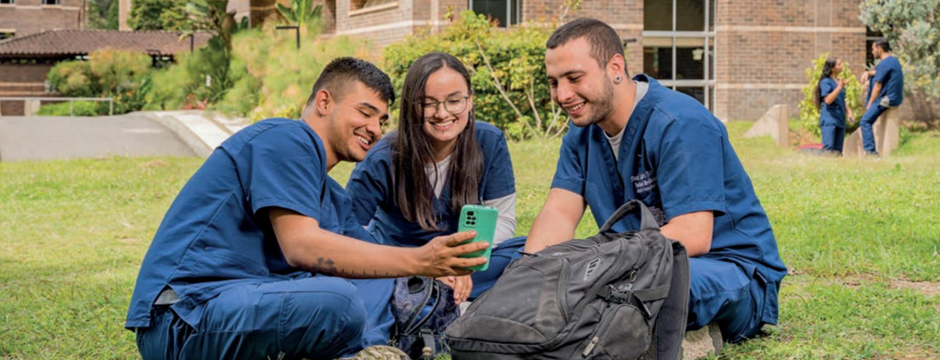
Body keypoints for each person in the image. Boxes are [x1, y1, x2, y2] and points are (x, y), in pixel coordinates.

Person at [125, 57, 489, 360]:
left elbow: (376, 263)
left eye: (381, 119)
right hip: (182, 318)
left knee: (373, 280)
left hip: (242, 311)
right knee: (338, 300)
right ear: (325, 102)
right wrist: (420, 260)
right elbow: (302, 247)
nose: (375, 129)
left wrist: (437, 269)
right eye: (365, 112)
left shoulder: (331, 195)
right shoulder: (285, 138)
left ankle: (370, 353)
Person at [522, 18, 787, 345]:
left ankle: (695, 338)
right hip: (632, 261)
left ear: (615, 67)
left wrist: (589, 267)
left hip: (725, 267)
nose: (562, 95)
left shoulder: (680, 122)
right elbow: (559, 213)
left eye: (574, 78)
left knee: (640, 288)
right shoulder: (582, 135)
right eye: (553, 82)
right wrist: (529, 274)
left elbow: (693, 236)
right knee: (511, 260)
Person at [347, 52, 525, 305]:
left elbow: (503, 218)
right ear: (411, 106)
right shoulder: (382, 158)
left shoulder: (489, 141)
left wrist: (460, 265)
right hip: (402, 263)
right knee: (369, 280)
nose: (442, 114)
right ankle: (429, 294)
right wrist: (423, 267)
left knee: (528, 253)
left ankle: (432, 296)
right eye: (428, 103)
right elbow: (349, 235)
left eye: (454, 101)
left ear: (470, 101)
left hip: (465, 262)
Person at [858, 39, 904, 155]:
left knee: (865, 121)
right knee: (873, 77)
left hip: (887, 99)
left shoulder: (884, 63)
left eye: (873, 49)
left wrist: (870, 103)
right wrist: (868, 73)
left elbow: (878, 86)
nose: (872, 52)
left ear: (879, 49)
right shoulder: (893, 61)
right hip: (895, 98)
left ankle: (871, 152)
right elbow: (878, 72)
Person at [814, 57, 854, 154]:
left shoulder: (838, 81)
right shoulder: (826, 82)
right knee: (828, 149)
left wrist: (849, 112)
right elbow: (827, 100)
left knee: (838, 151)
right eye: (839, 64)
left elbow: (842, 99)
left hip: (839, 119)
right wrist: (840, 87)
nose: (842, 66)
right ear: (832, 68)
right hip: (830, 120)